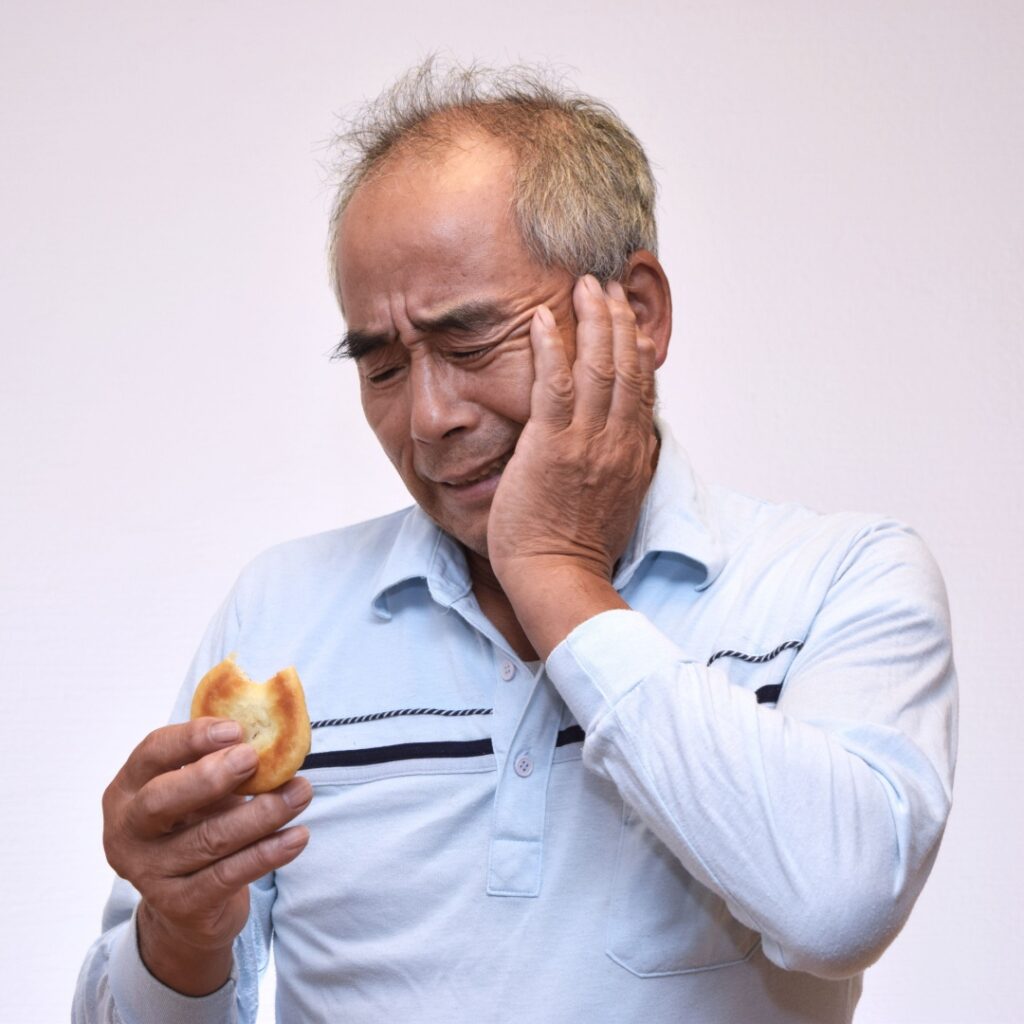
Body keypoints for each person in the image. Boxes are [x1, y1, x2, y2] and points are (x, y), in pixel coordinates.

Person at [74, 61, 957, 1023]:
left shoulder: (840, 580)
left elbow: (839, 907)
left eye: (471, 344)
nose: (427, 418)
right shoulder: (281, 611)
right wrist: (182, 935)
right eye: (380, 364)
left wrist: (557, 575)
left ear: (640, 314)